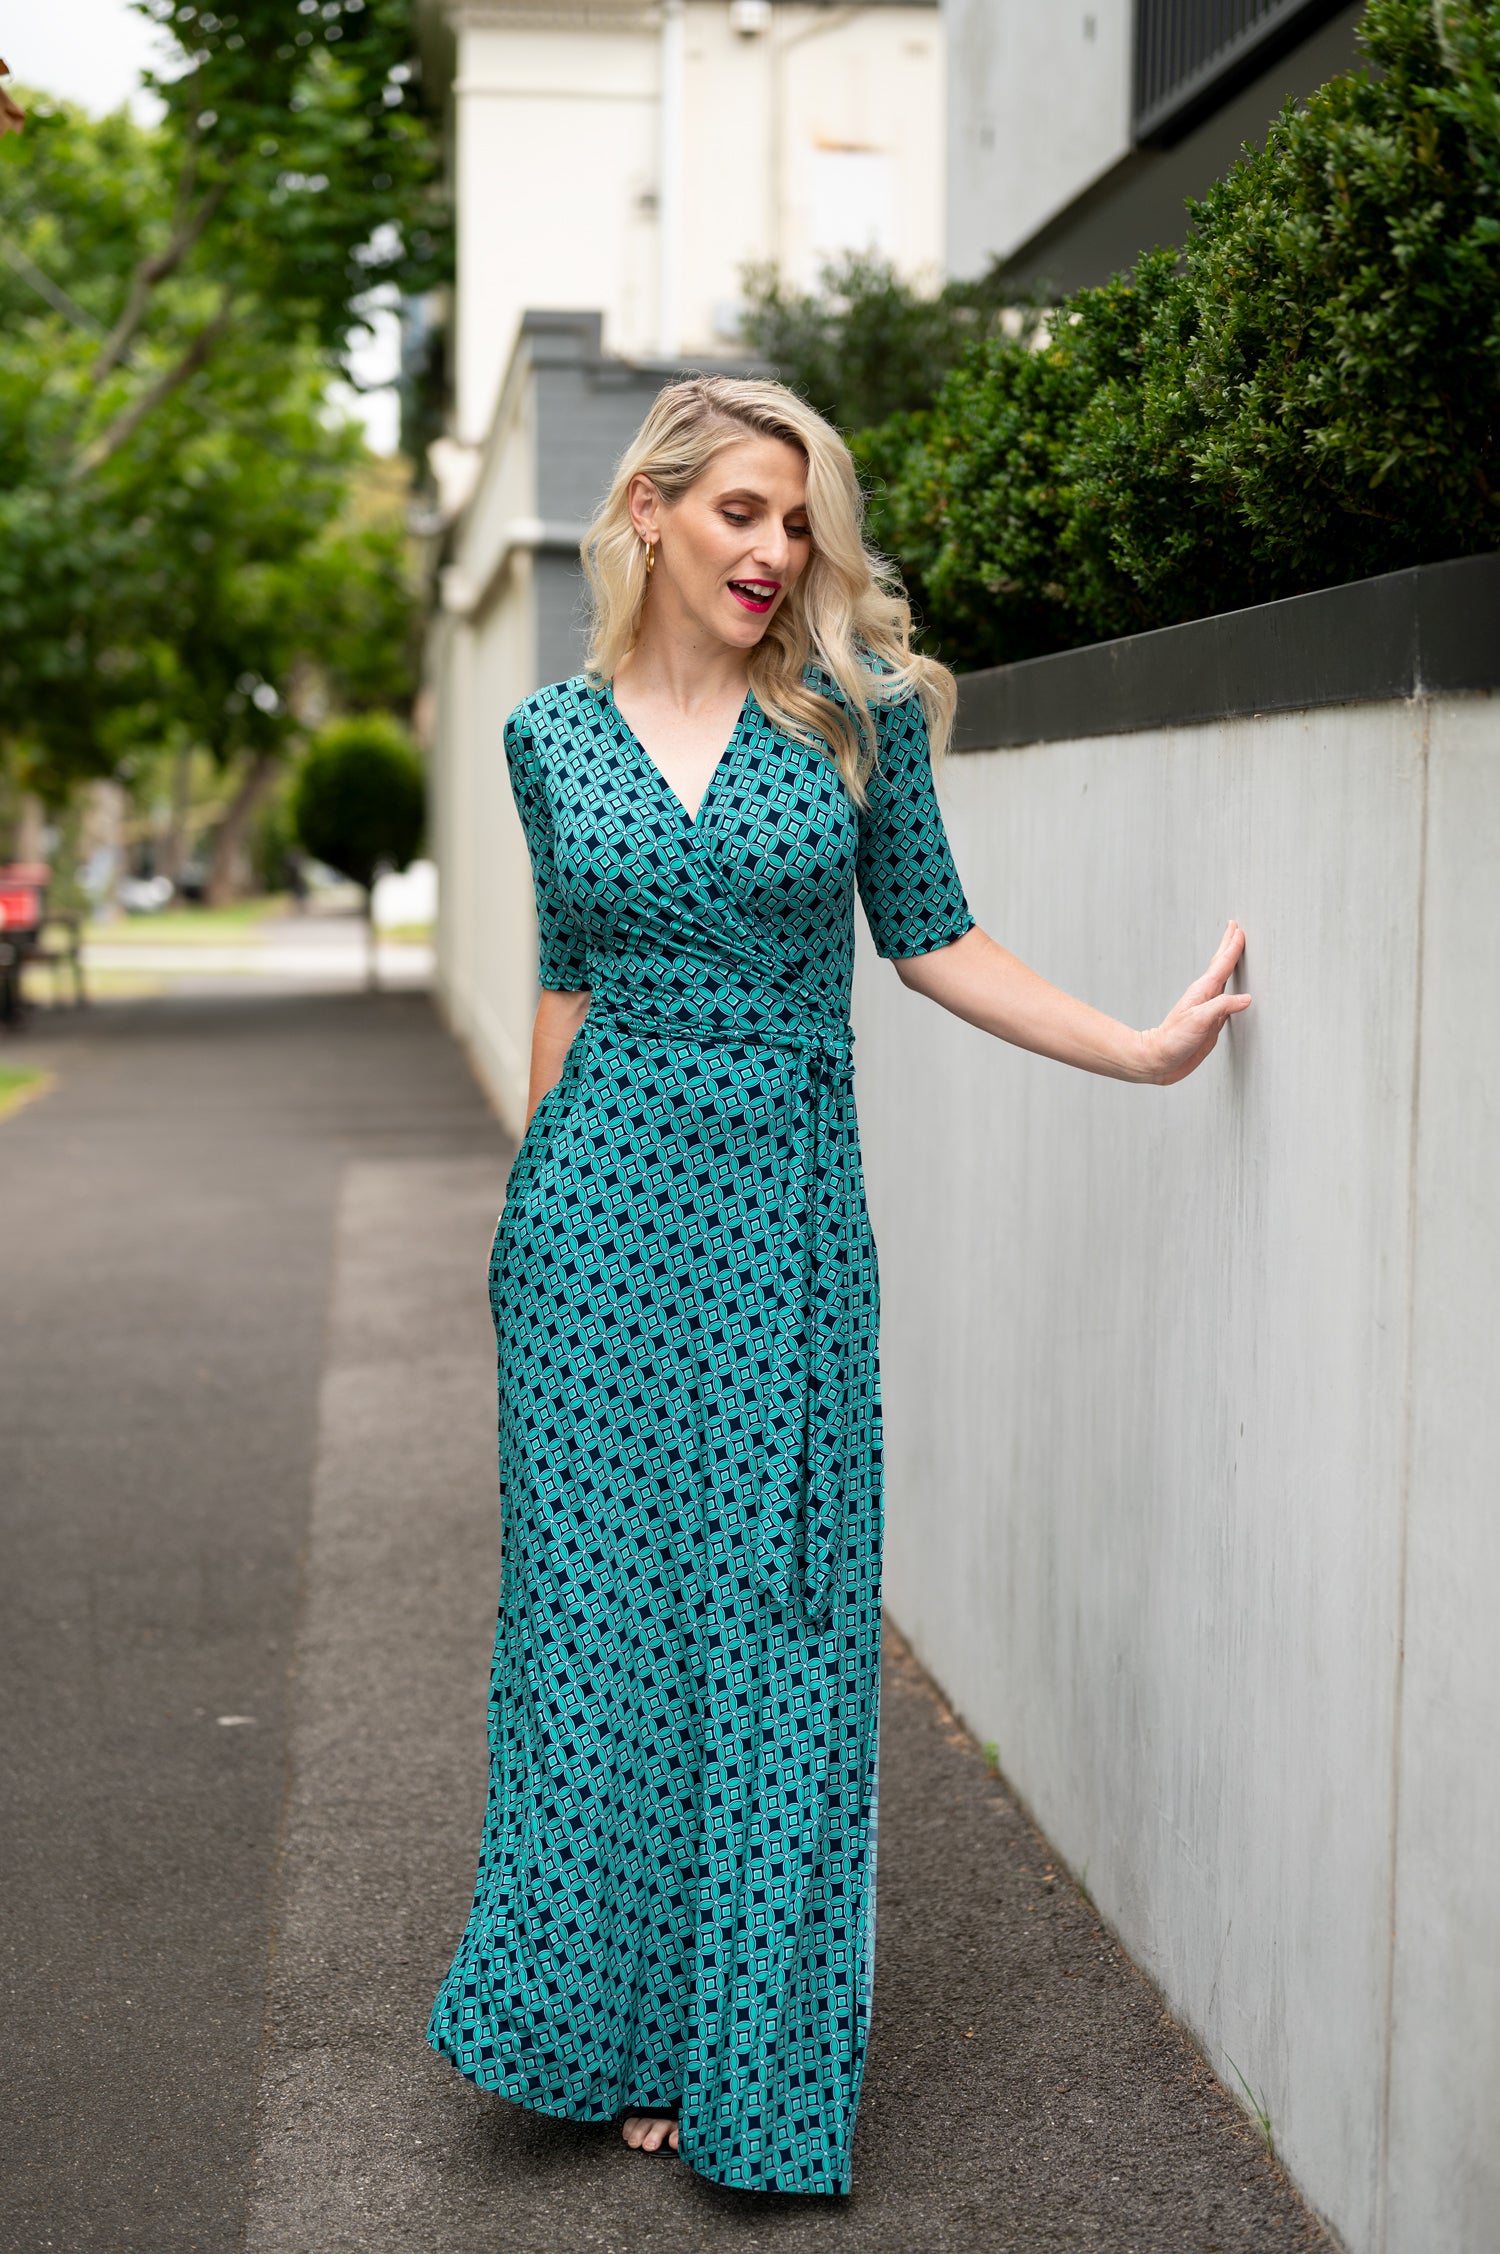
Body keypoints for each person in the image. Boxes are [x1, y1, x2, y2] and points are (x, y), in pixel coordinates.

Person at [426, 377, 1249, 2196]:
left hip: (781, 1235)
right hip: (589, 1241)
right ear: (648, 510)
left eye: (795, 522)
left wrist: (1134, 1045)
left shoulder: (857, 714)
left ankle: (746, 2052)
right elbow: (568, 973)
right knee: (599, 1640)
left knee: (777, 1617)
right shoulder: (547, 739)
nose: (774, 552)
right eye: (739, 512)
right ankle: (605, 2027)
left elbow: (936, 936)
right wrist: (522, 1222)